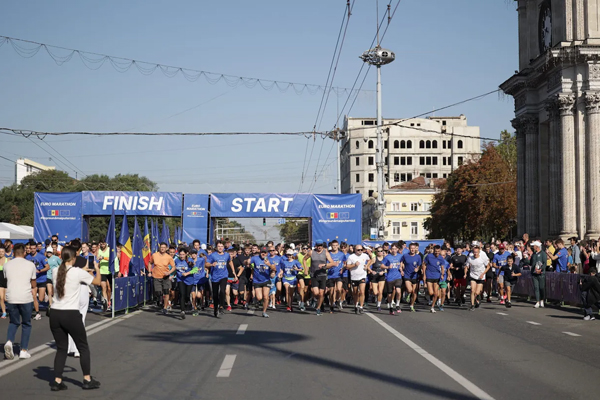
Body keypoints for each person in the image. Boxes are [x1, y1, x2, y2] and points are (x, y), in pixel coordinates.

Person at [49, 246, 101, 391]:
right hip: (70, 313)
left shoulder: (55, 271)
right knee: (83, 346)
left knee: (61, 348)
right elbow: (96, 282)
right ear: (74, 258)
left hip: (55, 313)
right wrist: (97, 268)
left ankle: (57, 381)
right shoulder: (77, 272)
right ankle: (87, 379)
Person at [3, 243, 37, 360]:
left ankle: (9, 341)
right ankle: (23, 350)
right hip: (25, 297)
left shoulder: (7, 265)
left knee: (13, 322)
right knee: (26, 324)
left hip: (12, 296)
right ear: (24, 252)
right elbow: (33, 282)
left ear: (13, 253)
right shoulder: (30, 264)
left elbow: (7, 279)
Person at [302, 240, 336, 316]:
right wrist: (306, 269)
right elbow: (304, 259)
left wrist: (324, 265)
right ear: (316, 246)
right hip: (314, 275)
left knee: (321, 294)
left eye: (321, 245)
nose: (319, 247)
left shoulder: (326, 253)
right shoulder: (311, 252)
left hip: (323, 275)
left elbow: (332, 263)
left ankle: (318, 308)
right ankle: (314, 299)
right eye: (318, 245)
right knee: (316, 292)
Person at [206, 241, 234, 318]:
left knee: (222, 291)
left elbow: (230, 262)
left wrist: (233, 271)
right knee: (215, 294)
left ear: (224, 247)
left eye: (221, 246)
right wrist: (211, 264)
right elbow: (206, 263)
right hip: (215, 277)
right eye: (219, 246)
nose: (220, 248)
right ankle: (215, 308)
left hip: (224, 276)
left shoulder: (227, 255)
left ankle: (221, 306)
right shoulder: (212, 255)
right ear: (216, 247)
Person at [148, 242, 176, 315]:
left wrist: (169, 272)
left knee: (166, 292)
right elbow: (150, 263)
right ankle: (160, 299)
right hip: (156, 276)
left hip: (165, 277)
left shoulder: (168, 257)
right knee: (158, 292)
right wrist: (149, 272)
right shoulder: (154, 255)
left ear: (166, 248)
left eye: (164, 247)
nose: (162, 248)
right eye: (161, 247)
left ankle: (165, 307)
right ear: (159, 248)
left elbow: (174, 267)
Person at [247, 247, 275, 318]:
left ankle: (264, 312)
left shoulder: (270, 259)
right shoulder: (255, 258)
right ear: (260, 252)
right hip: (257, 281)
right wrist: (247, 262)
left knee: (266, 297)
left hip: (266, 280)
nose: (263, 253)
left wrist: (269, 265)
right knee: (259, 298)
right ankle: (258, 301)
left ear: (267, 253)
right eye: (262, 252)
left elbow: (274, 268)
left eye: (265, 252)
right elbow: (248, 262)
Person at [345, 244, 371, 315]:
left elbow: (370, 260)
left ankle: (361, 307)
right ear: (355, 250)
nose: (360, 251)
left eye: (361, 250)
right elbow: (347, 266)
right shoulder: (351, 257)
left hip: (362, 276)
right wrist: (354, 265)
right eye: (358, 250)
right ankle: (356, 305)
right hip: (354, 277)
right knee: (355, 292)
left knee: (362, 291)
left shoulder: (365, 255)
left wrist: (367, 266)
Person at [26, 244, 50, 320]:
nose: (32, 250)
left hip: (42, 279)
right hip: (33, 280)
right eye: (31, 248)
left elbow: (47, 267)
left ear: (36, 248)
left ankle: (44, 295)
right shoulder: (27, 257)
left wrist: (40, 271)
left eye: (34, 248)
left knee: (41, 299)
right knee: (34, 297)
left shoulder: (41, 257)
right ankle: (37, 312)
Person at [466, 242, 490, 311]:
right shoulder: (470, 258)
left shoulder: (482, 257)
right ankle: (472, 304)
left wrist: (483, 273)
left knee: (477, 292)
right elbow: (467, 265)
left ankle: (477, 297)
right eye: (474, 252)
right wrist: (465, 272)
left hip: (480, 276)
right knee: (472, 290)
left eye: (476, 252)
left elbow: (488, 266)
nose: (475, 254)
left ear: (479, 252)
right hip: (473, 275)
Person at [382, 243, 403, 315]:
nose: (394, 250)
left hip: (398, 276)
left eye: (395, 249)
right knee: (390, 294)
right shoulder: (387, 257)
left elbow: (402, 263)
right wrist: (387, 267)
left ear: (397, 249)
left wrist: (401, 269)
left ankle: (397, 305)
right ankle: (390, 306)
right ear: (390, 250)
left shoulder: (400, 256)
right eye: (392, 249)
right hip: (390, 277)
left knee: (398, 291)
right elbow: (382, 266)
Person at [400, 243, 421, 312]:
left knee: (414, 292)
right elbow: (401, 262)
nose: (412, 249)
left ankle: (411, 305)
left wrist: (417, 269)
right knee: (410, 290)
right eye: (411, 248)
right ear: (409, 249)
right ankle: (407, 294)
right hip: (407, 275)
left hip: (414, 276)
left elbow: (419, 265)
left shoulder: (418, 257)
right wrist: (401, 268)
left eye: (414, 248)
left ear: (415, 249)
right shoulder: (405, 256)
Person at [326, 240, 346, 313]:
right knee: (331, 292)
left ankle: (337, 300)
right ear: (331, 246)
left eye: (336, 245)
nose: (334, 247)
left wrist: (343, 268)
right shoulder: (329, 254)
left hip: (339, 274)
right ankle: (331, 305)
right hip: (331, 275)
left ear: (338, 246)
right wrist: (331, 265)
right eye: (333, 245)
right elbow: (327, 265)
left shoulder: (341, 254)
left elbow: (345, 263)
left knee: (339, 289)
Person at [529, 240, 547, 308]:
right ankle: (537, 301)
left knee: (541, 287)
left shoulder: (543, 254)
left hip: (541, 273)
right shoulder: (533, 254)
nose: (533, 247)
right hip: (534, 273)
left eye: (534, 246)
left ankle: (542, 300)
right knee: (536, 287)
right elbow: (531, 263)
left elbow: (545, 263)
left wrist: (541, 269)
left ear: (537, 246)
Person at [368, 247, 386, 312]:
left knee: (380, 291)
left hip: (381, 276)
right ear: (376, 252)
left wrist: (383, 271)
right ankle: (375, 297)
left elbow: (388, 267)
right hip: (375, 276)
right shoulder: (374, 259)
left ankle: (378, 305)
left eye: (381, 251)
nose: (380, 252)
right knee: (376, 292)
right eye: (378, 251)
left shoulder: (385, 259)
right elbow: (368, 266)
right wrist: (372, 271)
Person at [45, 248, 61, 315]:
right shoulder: (45, 259)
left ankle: (56, 304)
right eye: (48, 252)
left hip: (55, 276)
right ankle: (50, 305)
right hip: (48, 276)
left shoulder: (56, 258)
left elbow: (61, 265)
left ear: (52, 252)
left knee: (55, 291)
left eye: (50, 252)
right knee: (49, 292)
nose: (49, 253)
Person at [0, 247, 7, 319]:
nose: (1, 253)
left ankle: (12, 310)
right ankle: (4, 312)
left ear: (4, 252)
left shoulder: (8, 260)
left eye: (2, 251)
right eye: (0, 251)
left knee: (6, 298)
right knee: (1, 298)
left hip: (7, 281)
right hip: (0, 281)